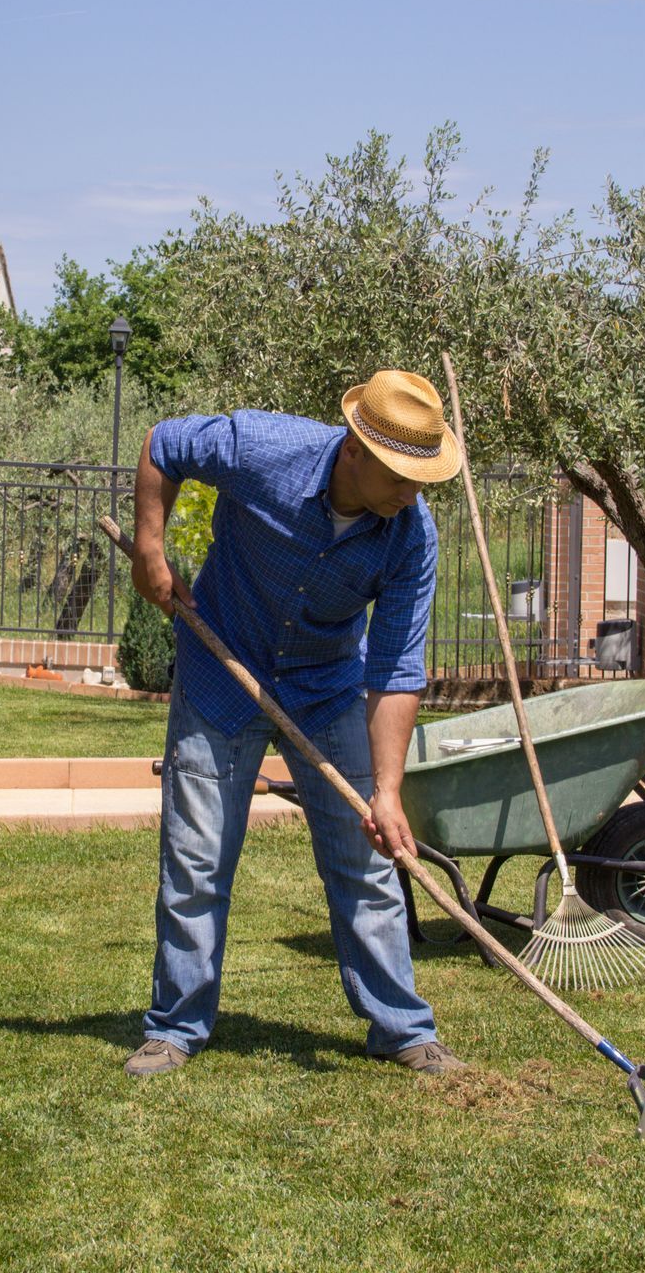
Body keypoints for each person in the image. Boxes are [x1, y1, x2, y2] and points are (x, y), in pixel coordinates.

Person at [123, 368, 467, 1079]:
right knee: (196, 859)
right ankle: (175, 1026)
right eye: (403, 475)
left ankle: (401, 1028)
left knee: (366, 864)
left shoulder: (411, 537)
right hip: (223, 668)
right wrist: (151, 551)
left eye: (423, 476)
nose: (415, 491)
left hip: (327, 684)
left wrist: (389, 792)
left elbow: (397, 668)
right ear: (356, 452)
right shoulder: (264, 446)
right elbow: (164, 445)